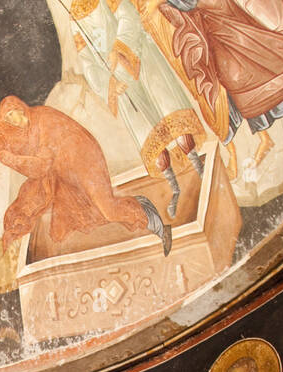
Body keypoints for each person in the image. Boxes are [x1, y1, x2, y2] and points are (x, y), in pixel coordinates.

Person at [147, 0, 283, 167]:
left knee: (281, 23)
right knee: (235, 76)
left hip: (236, 6)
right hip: (215, 18)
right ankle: (268, 138)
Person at [0, 96, 169, 259]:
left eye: (15, 113)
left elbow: (41, 166)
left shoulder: (44, 121)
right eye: (9, 119)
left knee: (109, 210)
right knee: (70, 223)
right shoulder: (29, 129)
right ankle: (138, 206)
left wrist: (10, 159)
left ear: (22, 108)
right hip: (66, 173)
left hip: (86, 163)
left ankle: (156, 223)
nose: (15, 120)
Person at [67, 0, 204, 216]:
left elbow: (128, 15)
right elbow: (87, 62)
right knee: (148, 134)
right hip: (120, 81)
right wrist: (108, 84)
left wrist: (119, 48)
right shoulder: (74, 16)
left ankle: (199, 168)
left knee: (170, 114)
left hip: (140, 57)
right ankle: (174, 187)